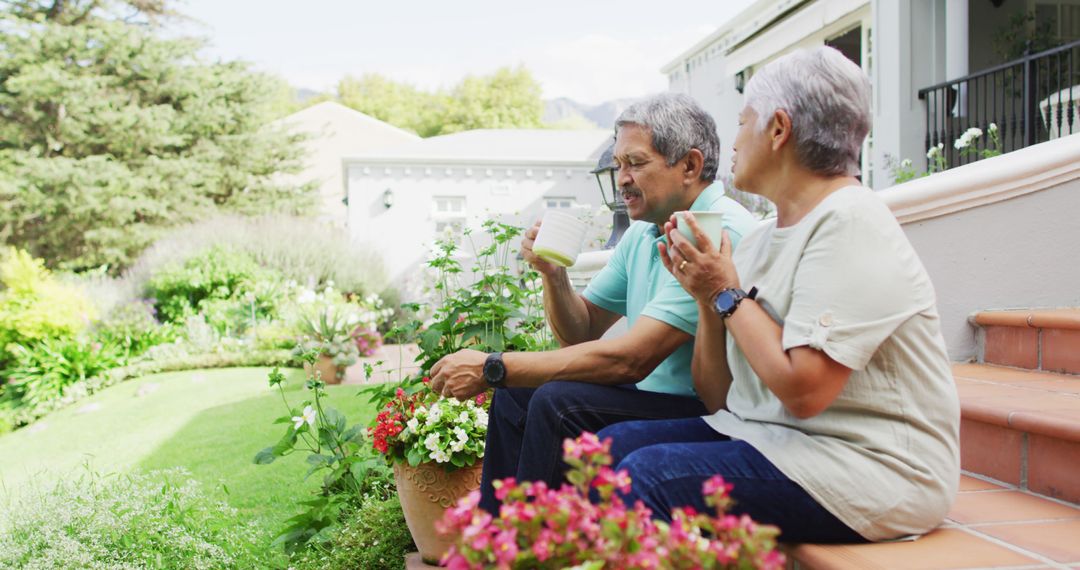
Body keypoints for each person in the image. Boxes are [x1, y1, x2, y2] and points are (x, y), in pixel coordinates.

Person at [596, 46, 961, 543]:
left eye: (744, 122)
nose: (736, 141)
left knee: (648, 476)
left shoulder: (851, 223)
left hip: (875, 468)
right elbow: (719, 396)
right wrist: (706, 298)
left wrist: (724, 290)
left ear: (778, 129)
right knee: (606, 451)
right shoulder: (767, 237)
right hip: (775, 438)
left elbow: (805, 391)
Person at [430, 93, 760, 514]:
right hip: (657, 397)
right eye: (618, 165)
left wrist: (493, 365)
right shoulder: (645, 232)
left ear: (690, 166)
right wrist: (554, 275)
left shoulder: (715, 229)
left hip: (711, 407)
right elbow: (582, 330)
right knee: (517, 396)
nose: (622, 179)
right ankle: (497, 540)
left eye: (635, 163)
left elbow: (632, 359)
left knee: (557, 402)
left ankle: (534, 551)